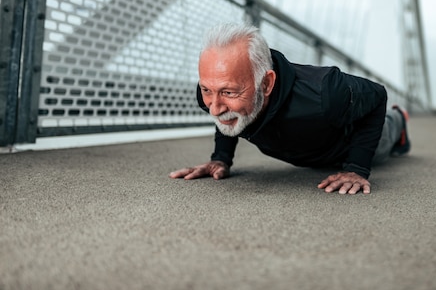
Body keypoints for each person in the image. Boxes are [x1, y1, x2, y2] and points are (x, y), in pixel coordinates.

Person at [169, 23, 411, 195]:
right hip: (303, 148)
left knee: (387, 132)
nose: (214, 107)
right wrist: (221, 159)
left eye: (229, 92)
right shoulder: (211, 95)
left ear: (266, 83)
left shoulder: (325, 93)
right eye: (208, 90)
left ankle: (400, 117)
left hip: (346, 145)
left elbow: (377, 95)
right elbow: (225, 116)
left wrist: (356, 168)